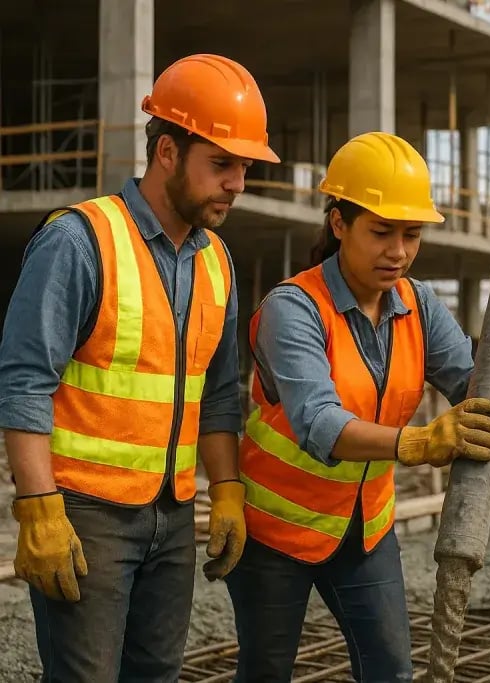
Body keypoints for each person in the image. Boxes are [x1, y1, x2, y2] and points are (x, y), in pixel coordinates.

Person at [224, 130, 490, 682]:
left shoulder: (417, 304)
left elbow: (473, 387)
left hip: (365, 532)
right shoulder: (293, 308)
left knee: (392, 673)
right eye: (381, 232)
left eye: (412, 234)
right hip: (275, 535)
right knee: (265, 673)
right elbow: (316, 422)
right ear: (339, 223)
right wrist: (421, 442)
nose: (398, 251)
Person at [0, 53, 279, 681]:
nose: (238, 183)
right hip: (86, 515)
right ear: (168, 154)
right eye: (222, 164)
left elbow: (220, 393)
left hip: (174, 513)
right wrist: (38, 507)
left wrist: (227, 491)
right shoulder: (80, 241)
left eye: (245, 167)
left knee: (156, 674)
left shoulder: (218, 262)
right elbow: (23, 380)